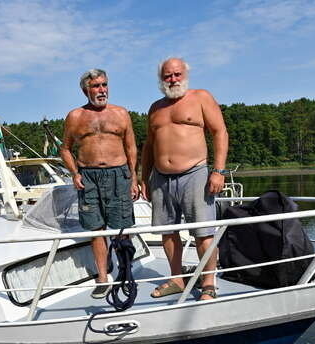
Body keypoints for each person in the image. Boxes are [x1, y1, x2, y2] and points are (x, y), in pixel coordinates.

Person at [140, 57, 229, 300]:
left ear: (185, 74)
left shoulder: (201, 97)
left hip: (195, 174)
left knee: (203, 232)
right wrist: (144, 178)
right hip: (160, 178)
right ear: (161, 79)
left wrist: (218, 171)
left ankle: (208, 283)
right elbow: (149, 145)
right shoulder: (155, 107)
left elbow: (219, 131)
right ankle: (176, 279)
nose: (173, 79)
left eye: (177, 74)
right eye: (167, 76)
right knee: (167, 232)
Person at [60, 69, 140, 298]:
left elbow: (131, 147)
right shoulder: (75, 117)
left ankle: (125, 272)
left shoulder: (121, 114)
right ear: (85, 90)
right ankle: (103, 277)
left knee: (122, 229)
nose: (101, 90)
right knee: (97, 230)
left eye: (104, 85)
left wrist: (134, 177)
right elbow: (65, 149)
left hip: (119, 175)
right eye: (96, 86)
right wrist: (75, 172)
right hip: (89, 177)